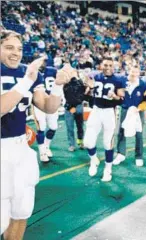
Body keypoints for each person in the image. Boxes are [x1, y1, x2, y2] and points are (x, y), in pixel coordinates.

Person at [1, 30, 74, 239]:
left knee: (21, 210)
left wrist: (58, 86)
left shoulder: (29, 72)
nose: (16, 53)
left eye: (19, 49)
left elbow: (48, 107)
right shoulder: (27, 75)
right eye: (9, 47)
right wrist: (26, 80)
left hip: (20, 147)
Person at [83, 57, 125, 182]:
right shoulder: (95, 76)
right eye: (105, 65)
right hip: (96, 110)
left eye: (110, 65)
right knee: (88, 142)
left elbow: (121, 99)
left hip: (109, 112)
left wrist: (115, 96)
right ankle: (93, 159)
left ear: (114, 66)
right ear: (101, 65)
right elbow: (87, 96)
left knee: (108, 143)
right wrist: (90, 88)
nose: (107, 67)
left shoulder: (119, 79)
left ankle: (108, 170)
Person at [113, 65, 146, 167]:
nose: (133, 74)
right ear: (129, 71)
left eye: (136, 72)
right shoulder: (122, 81)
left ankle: (139, 156)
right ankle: (120, 154)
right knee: (121, 131)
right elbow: (117, 92)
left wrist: (139, 108)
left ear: (139, 73)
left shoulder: (142, 84)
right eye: (132, 72)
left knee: (139, 134)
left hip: (138, 111)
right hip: (125, 109)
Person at [33, 60, 59, 162]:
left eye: (43, 61)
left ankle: (47, 146)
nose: (41, 64)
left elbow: (60, 83)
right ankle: (42, 152)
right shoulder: (32, 72)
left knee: (53, 127)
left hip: (51, 102)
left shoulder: (53, 71)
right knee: (41, 128)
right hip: (38, 103)